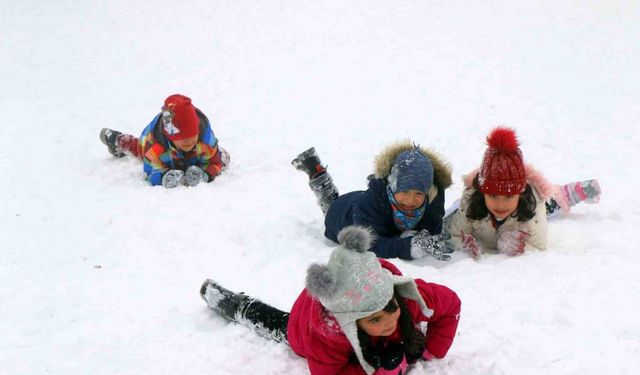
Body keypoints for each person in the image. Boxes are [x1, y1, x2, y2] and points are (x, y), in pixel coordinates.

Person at [201, 225, 461, 375]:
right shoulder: (326, 336)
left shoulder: (406, 296)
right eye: (374, 319)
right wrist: (377, 370)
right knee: (278, 324)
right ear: (350, 322)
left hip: (344, 293)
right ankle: (233, 304)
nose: (388, 321)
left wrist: (431, 349)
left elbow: (451, 306)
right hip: (304, 325)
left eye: (390, 308)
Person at [447, 127, 601, 259]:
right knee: (454, 211)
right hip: (479, 209)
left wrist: (518, 247)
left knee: (551, 204)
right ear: (483, 192)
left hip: (529, 208)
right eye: (493, 196)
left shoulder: (532, 205)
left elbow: (539, 245)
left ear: (520, 193)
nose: (500, 204)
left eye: (508, 196)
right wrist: (464, 244)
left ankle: (570, 193)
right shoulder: (470, 202)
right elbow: (454, 235)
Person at [291, 142, 453, 261]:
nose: (411, 200)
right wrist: (407, 246)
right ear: (392, 186)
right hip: (342, 214)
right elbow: (368, 245)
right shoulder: (370, 202)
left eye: (418, 193)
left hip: (368, 205)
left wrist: (422, 236)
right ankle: (317, 174)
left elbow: (433, 228)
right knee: (331, 204)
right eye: (404, 191)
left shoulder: (433, 197)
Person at [99, 94, 229, 188]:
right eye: (182, 138)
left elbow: (215, 163)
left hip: (194, 156)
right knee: (138, 148)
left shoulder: (205, 140)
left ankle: (217, 154)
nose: (189, 141)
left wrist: (205, 174)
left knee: (222, 157)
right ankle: (118, 141)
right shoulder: (155, 147)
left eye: (192, 135)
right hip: (161, 152)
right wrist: (163, 177)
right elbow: (149, 172)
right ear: (170, 136)